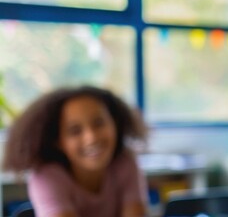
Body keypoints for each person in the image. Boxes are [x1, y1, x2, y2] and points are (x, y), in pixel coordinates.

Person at [2, 86, 149, 217]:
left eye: (99, 123)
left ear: (115, 123)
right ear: (58, 141)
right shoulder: (46, 177)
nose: (91, 138)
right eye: (75, 131)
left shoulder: (125, 162)